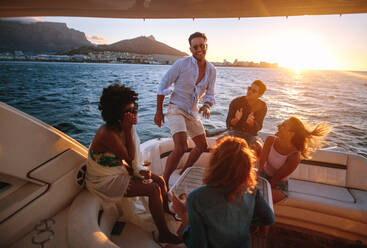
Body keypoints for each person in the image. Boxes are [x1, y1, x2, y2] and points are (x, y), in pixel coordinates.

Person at [85, 83, 180, 244]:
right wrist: (129, 129)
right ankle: (163, 233)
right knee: (152, 189)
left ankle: (165, 211)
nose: (135, 113)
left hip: (115, 169)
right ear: (117, 116)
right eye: (129, 112)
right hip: (104, 181)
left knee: (160, 180)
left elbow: (122, 160)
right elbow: (129, 156)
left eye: (135, 108)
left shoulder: (122, 128)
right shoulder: (107, 133)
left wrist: (135, 170)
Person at [169, 136, 275, 248]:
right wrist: (243, 220)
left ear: (215, 162)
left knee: (173, 242)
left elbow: (198, 244)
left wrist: (183, 213)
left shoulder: (196, 198)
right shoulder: (252, 190)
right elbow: (268, 218)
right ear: (246, 167)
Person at [154, 32, 217, 187]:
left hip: (193, 112)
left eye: (202, 46)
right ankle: (165, 180)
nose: (199, 49)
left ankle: (184, 173)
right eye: (195, 47)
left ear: (206, 46)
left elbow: (210, 94)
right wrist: (159, 111)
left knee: (202, 145)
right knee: (181, 146)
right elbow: (162, 86)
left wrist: (207, 106)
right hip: (176, 108)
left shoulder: (212, 70)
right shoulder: (181, 64)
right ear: (190, 49)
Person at [258, 116, 332, 203]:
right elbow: (261, 163)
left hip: (278, 185)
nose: (278, 126)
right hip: (262, 176)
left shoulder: (294, 156)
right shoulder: (270, 140)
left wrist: (260, 187)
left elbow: (275, 179)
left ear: (291, 134)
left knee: (260, 198)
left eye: (283, 126)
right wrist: (256, 178)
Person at [225, 80, 267, 156]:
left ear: (259, 95)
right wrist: (235, 120)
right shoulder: (236, 102)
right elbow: (228, 122)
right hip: (235, 131)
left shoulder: (262, 106)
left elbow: (259, 126)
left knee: (259, 149)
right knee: (220, 142)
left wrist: (252, 123)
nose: (249, 91)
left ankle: (248, 167)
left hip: (251, 135)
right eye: (249, 88)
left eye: (254, 91)